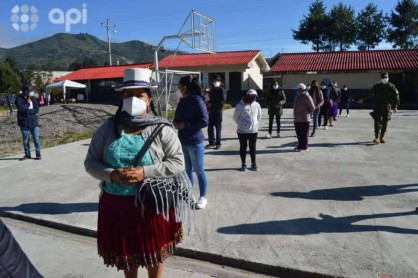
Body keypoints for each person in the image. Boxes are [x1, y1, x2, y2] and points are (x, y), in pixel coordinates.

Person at [84, 68, 188, 278]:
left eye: (139, 95)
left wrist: (145, 172)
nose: (133, 99)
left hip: (151, 206)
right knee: (127, 255)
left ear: (149, 100)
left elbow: (178, 163)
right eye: (127, 95)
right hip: (117, 206)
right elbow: (90, 162)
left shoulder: (162, 129)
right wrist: (112, 174)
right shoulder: (108, 128)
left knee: (154, 254)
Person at [173, 76, 209, 209]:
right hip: (183, 141)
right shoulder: (182, 101)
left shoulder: (197, 101)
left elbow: (204, 121)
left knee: (199, 171)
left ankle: (203, 196)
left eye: (179, 87)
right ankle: (189, 193)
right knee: (187, 171)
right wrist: (176, 123)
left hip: (195, 142)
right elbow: (177, 117)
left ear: (185, 87)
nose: (178, 90)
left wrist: (186, 124)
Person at [358, 72, 400, 144]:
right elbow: (370, 93)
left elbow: (396, 97)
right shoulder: (377, 86)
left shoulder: (392, 87)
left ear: (388, 78)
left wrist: (395, 106)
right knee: (377, 121)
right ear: (381, 79)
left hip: (387, 106)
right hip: (378, 106)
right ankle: (377, 137)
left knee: (385, 122)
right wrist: (362, 99)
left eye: (386, 78)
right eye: (383, 78)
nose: (384, 79)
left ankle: (382, 137)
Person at [232, 89, 262, 171]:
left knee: (253, 147)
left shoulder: (257, 105)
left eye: (255, 97)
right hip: (242, 131)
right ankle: (243, 164)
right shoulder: (240, 106)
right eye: (252, 96)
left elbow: (259, 116)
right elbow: (235, 118)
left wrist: (254, 123)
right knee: (243, 147)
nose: (253, 98)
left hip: (254, 130)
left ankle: (253, 163)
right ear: (247, 96)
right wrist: (243, 125)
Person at [15, 84, 42, 160]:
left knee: (36, 138)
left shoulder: (33, 98)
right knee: (25, 139)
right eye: (30, 91)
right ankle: (27, 154)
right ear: (25, 91)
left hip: (33, 121)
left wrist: (28, 111)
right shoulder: (19, 98)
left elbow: (36, 109)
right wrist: (27, 103)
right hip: (24, 122)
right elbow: (20, 108)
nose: (31, 92)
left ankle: (38, 153)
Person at [206, 75, 227, 150]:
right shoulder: (212, 90)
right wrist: (208, 103)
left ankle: (218, 143)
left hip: (218, 111)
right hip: (212, 111)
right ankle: (212, 142)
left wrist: (213, 104)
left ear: (220, 82)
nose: (216, 82)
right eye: (214, 81)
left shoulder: (222, 90)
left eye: (217, 81)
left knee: (218, 128)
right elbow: (209, 99)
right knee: (210, 128)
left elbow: (222, 102)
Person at [293, 83, 315, 151]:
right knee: (299, 133)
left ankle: (305, 147)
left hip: (304, 118)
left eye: (297, 89)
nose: (296, 91)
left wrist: (306, 112)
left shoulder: (307, 96)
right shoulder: (297, 96)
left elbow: (313, 108)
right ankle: (300, 146)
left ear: (301, 89)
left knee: (304, 134)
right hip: (297, 118)